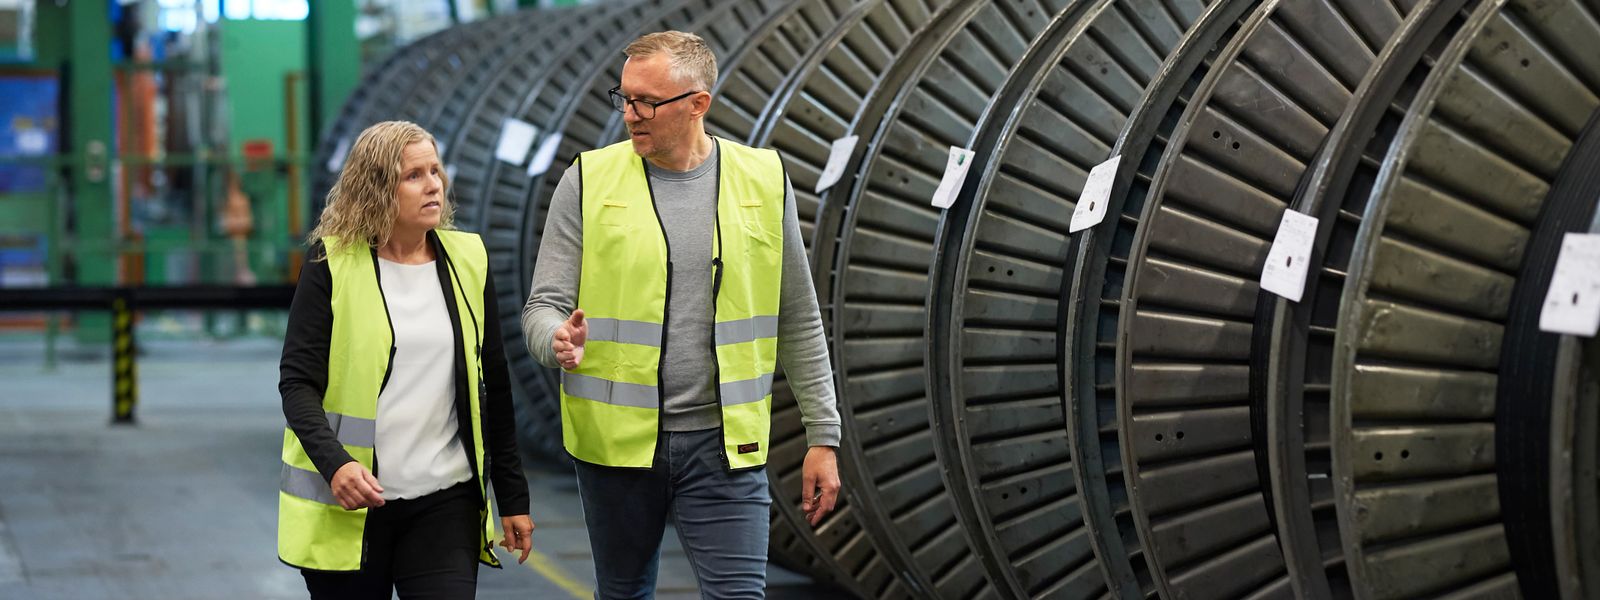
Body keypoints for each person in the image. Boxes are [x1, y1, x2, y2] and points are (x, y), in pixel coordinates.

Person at [522, 31, 843, 599]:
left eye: (646, 101)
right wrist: (556, 341)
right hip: (616, 449)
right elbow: (543, 307)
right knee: (623, 593)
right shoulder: (588, 180)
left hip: (724, 448)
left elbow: (797, 314)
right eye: (623, 98)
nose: (630, 115)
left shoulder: (764, 180)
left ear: (698, 104)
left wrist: (823, 433)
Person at [278, 120, 534, 598]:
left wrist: (513, 497)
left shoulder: (467, 259)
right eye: (413, 175)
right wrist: (336, 465)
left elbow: (493, 386)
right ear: (376, 189)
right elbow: (297, 384)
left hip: (445, 501)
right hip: (352, 505)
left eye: (435, 170)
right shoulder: (332, 265)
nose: (433, 184)